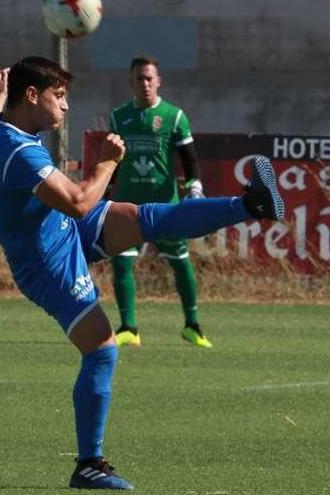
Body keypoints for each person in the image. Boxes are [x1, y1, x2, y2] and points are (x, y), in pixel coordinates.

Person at [0, 57, 284, 490]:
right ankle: (89, 464)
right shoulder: (18, 152)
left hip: (60, 229)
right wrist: (108, 163)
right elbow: (80, 200)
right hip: (49, 263)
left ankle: (251, 206)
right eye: (58, 97)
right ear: (31, 96)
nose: (65, 107)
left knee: (147, 217)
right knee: (101, 351)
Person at [107, 55, 209, 348]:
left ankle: (192, 325)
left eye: (150, 78)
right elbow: (112, 160)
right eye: (139, 78)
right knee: (122, 263)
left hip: (165, 207)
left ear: (158, 81)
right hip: (128, 207)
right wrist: (104, 194)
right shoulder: (119, 117)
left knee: (180, 263)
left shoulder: (174, 116)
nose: (145, 83)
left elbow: (189, 159)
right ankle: (129, 328)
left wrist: (195, 188)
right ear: (131, 83)